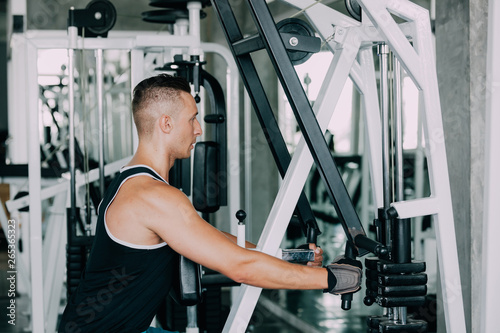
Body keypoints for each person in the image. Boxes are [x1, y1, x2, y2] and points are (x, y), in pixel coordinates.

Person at [58, 74, 362, 333]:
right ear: (166, 123)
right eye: (191, 119)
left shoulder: (134, 181)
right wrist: (332, 280)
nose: (198, 129)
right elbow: (240, 268)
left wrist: (289, 257)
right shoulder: (153, 197)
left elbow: (213, 240)